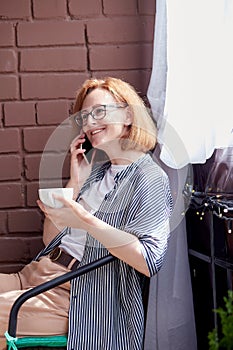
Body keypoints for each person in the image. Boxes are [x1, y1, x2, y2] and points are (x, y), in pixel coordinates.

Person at [0, 77, 173, 350]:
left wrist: (85, 219)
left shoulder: (149, 178)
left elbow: (149, 261)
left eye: (100, 112)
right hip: (37, 274)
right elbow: (51, 240)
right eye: (84, 117)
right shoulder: (97, 172)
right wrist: (75, 183)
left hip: (76, 295)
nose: (90, 123)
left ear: (128, 114)